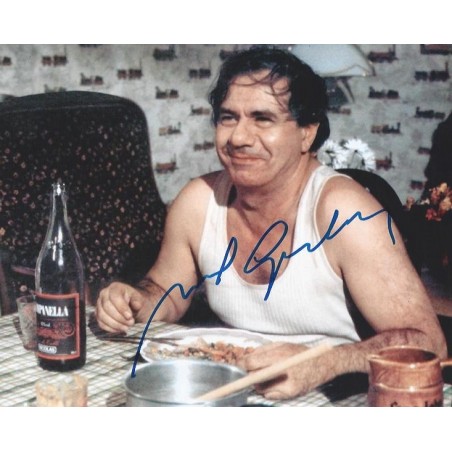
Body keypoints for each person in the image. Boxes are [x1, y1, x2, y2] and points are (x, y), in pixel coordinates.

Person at [96, 46, 446, 400]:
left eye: (262, 118)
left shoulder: (343, 212)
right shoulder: (199, 200)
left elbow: (429, 342)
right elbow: (166, 291)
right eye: (228, 117)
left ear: (307, 133)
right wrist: (136, 300)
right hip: (238, 396)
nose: (238, 138)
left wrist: (324, 363)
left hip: (338, 398)